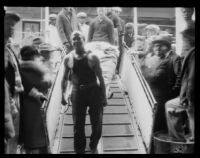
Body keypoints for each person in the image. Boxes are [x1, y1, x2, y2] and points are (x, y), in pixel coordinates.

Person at [61, 31, 107, 154]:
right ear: (71, 41)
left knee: (97, 123)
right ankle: (79, 150)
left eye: (79, 38)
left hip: (94, 92)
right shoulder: (68, 58)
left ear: (84, 40)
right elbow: (65, 78)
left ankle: (93, 146)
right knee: (78, 125)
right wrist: (62, 95)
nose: (76, 41)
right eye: (73, 39)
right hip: (77, 93)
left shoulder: (92, 57)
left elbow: (101, 78)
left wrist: (104, 97)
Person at [142, 34, 182, 133]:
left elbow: (179, 77)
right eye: (156, 46)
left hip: (163, 95)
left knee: (161, 122)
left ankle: (173, 144)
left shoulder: (172, 58)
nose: (158, 48)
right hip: (154, 94)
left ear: (167, 46)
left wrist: (173, 91)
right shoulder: (153, 59)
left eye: (161, 45)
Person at [19, 46, 52, 154]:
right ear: (34, 56)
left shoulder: (20, 70)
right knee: (36, 139)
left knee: (31, 140)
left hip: (25, 108)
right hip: (34, 108)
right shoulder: (36, 70)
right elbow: (46, 84)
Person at [165, 28, 195, 142]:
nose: (184, 42)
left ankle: (177, 140)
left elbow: (191, 78)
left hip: (192, 96)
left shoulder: (193, 53)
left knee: (171, 106)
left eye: (185, 40)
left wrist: (187, 97)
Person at [4, 11, 24, 154]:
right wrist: (11, 104)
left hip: (15, 97)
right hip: (8, 100)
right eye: (8, 24)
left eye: (13, 25)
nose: (12, 28)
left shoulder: (9, 49)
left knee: (14, 138)